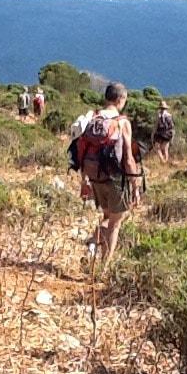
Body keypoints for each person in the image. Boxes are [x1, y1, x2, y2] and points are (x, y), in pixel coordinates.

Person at [78, 82, 142, 263]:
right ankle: (103, 266)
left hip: (95, 177)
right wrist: (135, 186)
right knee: (115, 223)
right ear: (120, 99)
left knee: (107, 217)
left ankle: (93, 247)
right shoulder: (122, 123)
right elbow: (128, 159)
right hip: (115, 180)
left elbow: (82, 150)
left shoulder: (93, 118)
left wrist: (84, 180)